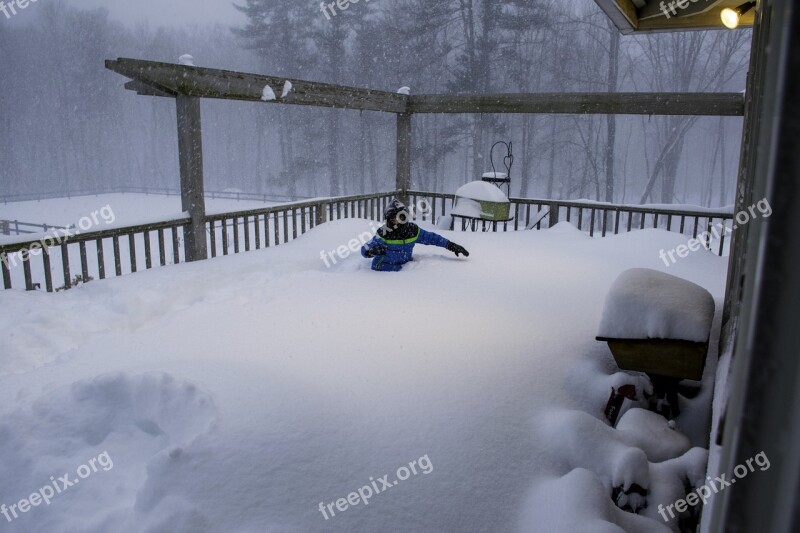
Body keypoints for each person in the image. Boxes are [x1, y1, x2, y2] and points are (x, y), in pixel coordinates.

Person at [361, 199, 469, 272]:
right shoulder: (384, 232)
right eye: (393, 219)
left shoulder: (412, 231)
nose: (397, 221)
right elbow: (364, 248)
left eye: (400, 217)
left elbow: (431, 238)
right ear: (388, 219)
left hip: (404, 270)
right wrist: (370, 251)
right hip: (381, 271)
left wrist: (449, 245)